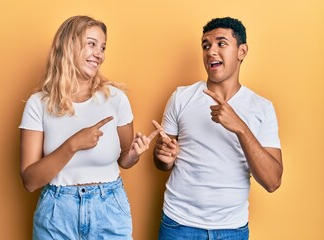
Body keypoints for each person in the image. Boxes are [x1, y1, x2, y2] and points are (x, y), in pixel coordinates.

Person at [19, 15, 160, 240]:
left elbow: (124, 160)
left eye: (102, 47)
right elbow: (30, 181)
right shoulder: (38, 104)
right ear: (68, 46)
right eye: (91, 44)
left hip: (109, 209)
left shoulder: (116, 99)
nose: (99, 54)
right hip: (57, 212)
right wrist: (73, 145)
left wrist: (133, 154)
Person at [153, 17, 283, 239]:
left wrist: (240, 127)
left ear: (242, 51)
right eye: (206, 45)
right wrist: (163, 157)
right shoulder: (181, 97)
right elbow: (162, 162)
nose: (211, 51)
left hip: (231, 230)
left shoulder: (262, 108)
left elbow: (272, 181)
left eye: (221, 43)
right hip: (178, 225)